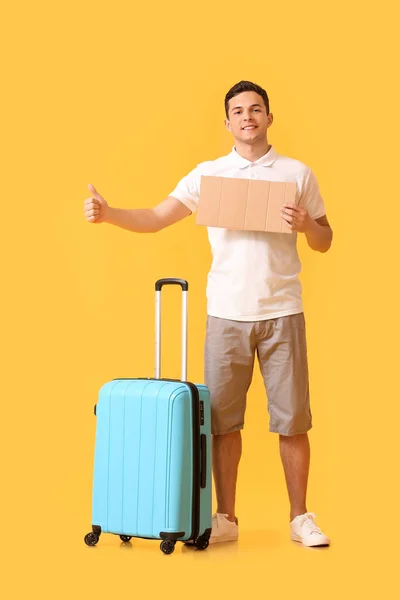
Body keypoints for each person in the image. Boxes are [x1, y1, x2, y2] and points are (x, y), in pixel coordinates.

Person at [84, 80, 333, 547]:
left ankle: (301, 517)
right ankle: (226, 518)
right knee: (221, 422)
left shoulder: (297, 173)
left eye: (256, 109)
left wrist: (305, 226)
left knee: (293, 420)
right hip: (225, 314)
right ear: (227, 123)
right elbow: (158, 217)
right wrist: (110, 212)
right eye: (237, 111)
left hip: (283, 312)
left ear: (269, 117)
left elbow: (325, 238)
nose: (247, 117)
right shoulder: (209, 175)